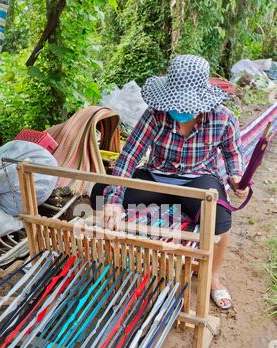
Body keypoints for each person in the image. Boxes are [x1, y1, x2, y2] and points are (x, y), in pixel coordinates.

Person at [91, 55, 248, 309]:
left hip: (197, 179)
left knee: (220, 220)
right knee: (99, 192)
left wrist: (237, 177)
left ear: (202, 100)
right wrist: (113, 200)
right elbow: (130, 156)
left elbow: (233, 154)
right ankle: (120, 256)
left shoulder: (223, 118)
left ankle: (213, 277)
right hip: (157, 177)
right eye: (176, 102)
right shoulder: (156, 115)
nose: (179, 110)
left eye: (186, 104)